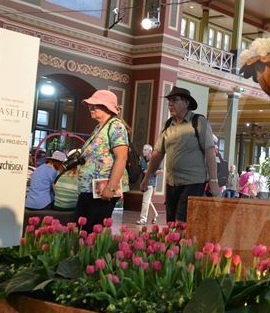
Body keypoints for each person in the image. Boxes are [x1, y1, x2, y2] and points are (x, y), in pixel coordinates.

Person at [139, 87, 220, 223]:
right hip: (172, 182)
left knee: (181, 223)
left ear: (186, 103)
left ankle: (183, 244)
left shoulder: (198, 122)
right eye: (169, 101)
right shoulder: (168, 125)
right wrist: (147, 178)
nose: (170, 104)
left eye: (175, 100)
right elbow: (158, 154)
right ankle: (176, 244)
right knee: (171, 223)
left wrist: (213, 181)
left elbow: (210, 152)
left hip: (193, 182)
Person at [75, 90, 129, 231]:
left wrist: (110, 187)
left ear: (107, 107)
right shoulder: (99, 127)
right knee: (83, 230)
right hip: (89, 189)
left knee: (93, 232)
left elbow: (121, 157)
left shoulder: (116, 126)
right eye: (90, 105)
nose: (91, 109)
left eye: (95, 105)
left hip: (102, 190)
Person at [136, 144, 160, 225]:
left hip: (150, 183)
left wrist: (151, 171)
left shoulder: (154, 160)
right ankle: (155, 214)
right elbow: (143, 170)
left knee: (145, 202)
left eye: (145, 150)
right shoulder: (142, 160)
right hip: (144, 183)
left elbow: (161, 171)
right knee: (148, 201)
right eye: (143, 149)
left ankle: (143, 219)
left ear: (150, 151)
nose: (143, 151)